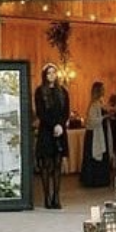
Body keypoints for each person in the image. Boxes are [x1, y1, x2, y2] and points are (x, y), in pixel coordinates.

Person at [34, 63, 70, 209]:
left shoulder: (63, 92)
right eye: (49, 73)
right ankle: (47, 197)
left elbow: (66, 111)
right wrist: (53, 125)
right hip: (47, 131)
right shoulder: (39, 92)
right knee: (46, 165)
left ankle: (56, 196)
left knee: (57, 164)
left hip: (60, 131)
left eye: (54, 73)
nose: (52, 76)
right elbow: (41, 112)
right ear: (44, 75)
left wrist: (60, 125)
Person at [80, 81, 112, 187]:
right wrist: (104, 117)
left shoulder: (101, 103)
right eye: (102, 89)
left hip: (102, 132)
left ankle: (102, 180)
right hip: (94, 134)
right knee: (94, 156)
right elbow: (91, 121)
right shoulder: (94, 105)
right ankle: (93, 180)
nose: (104, 90)